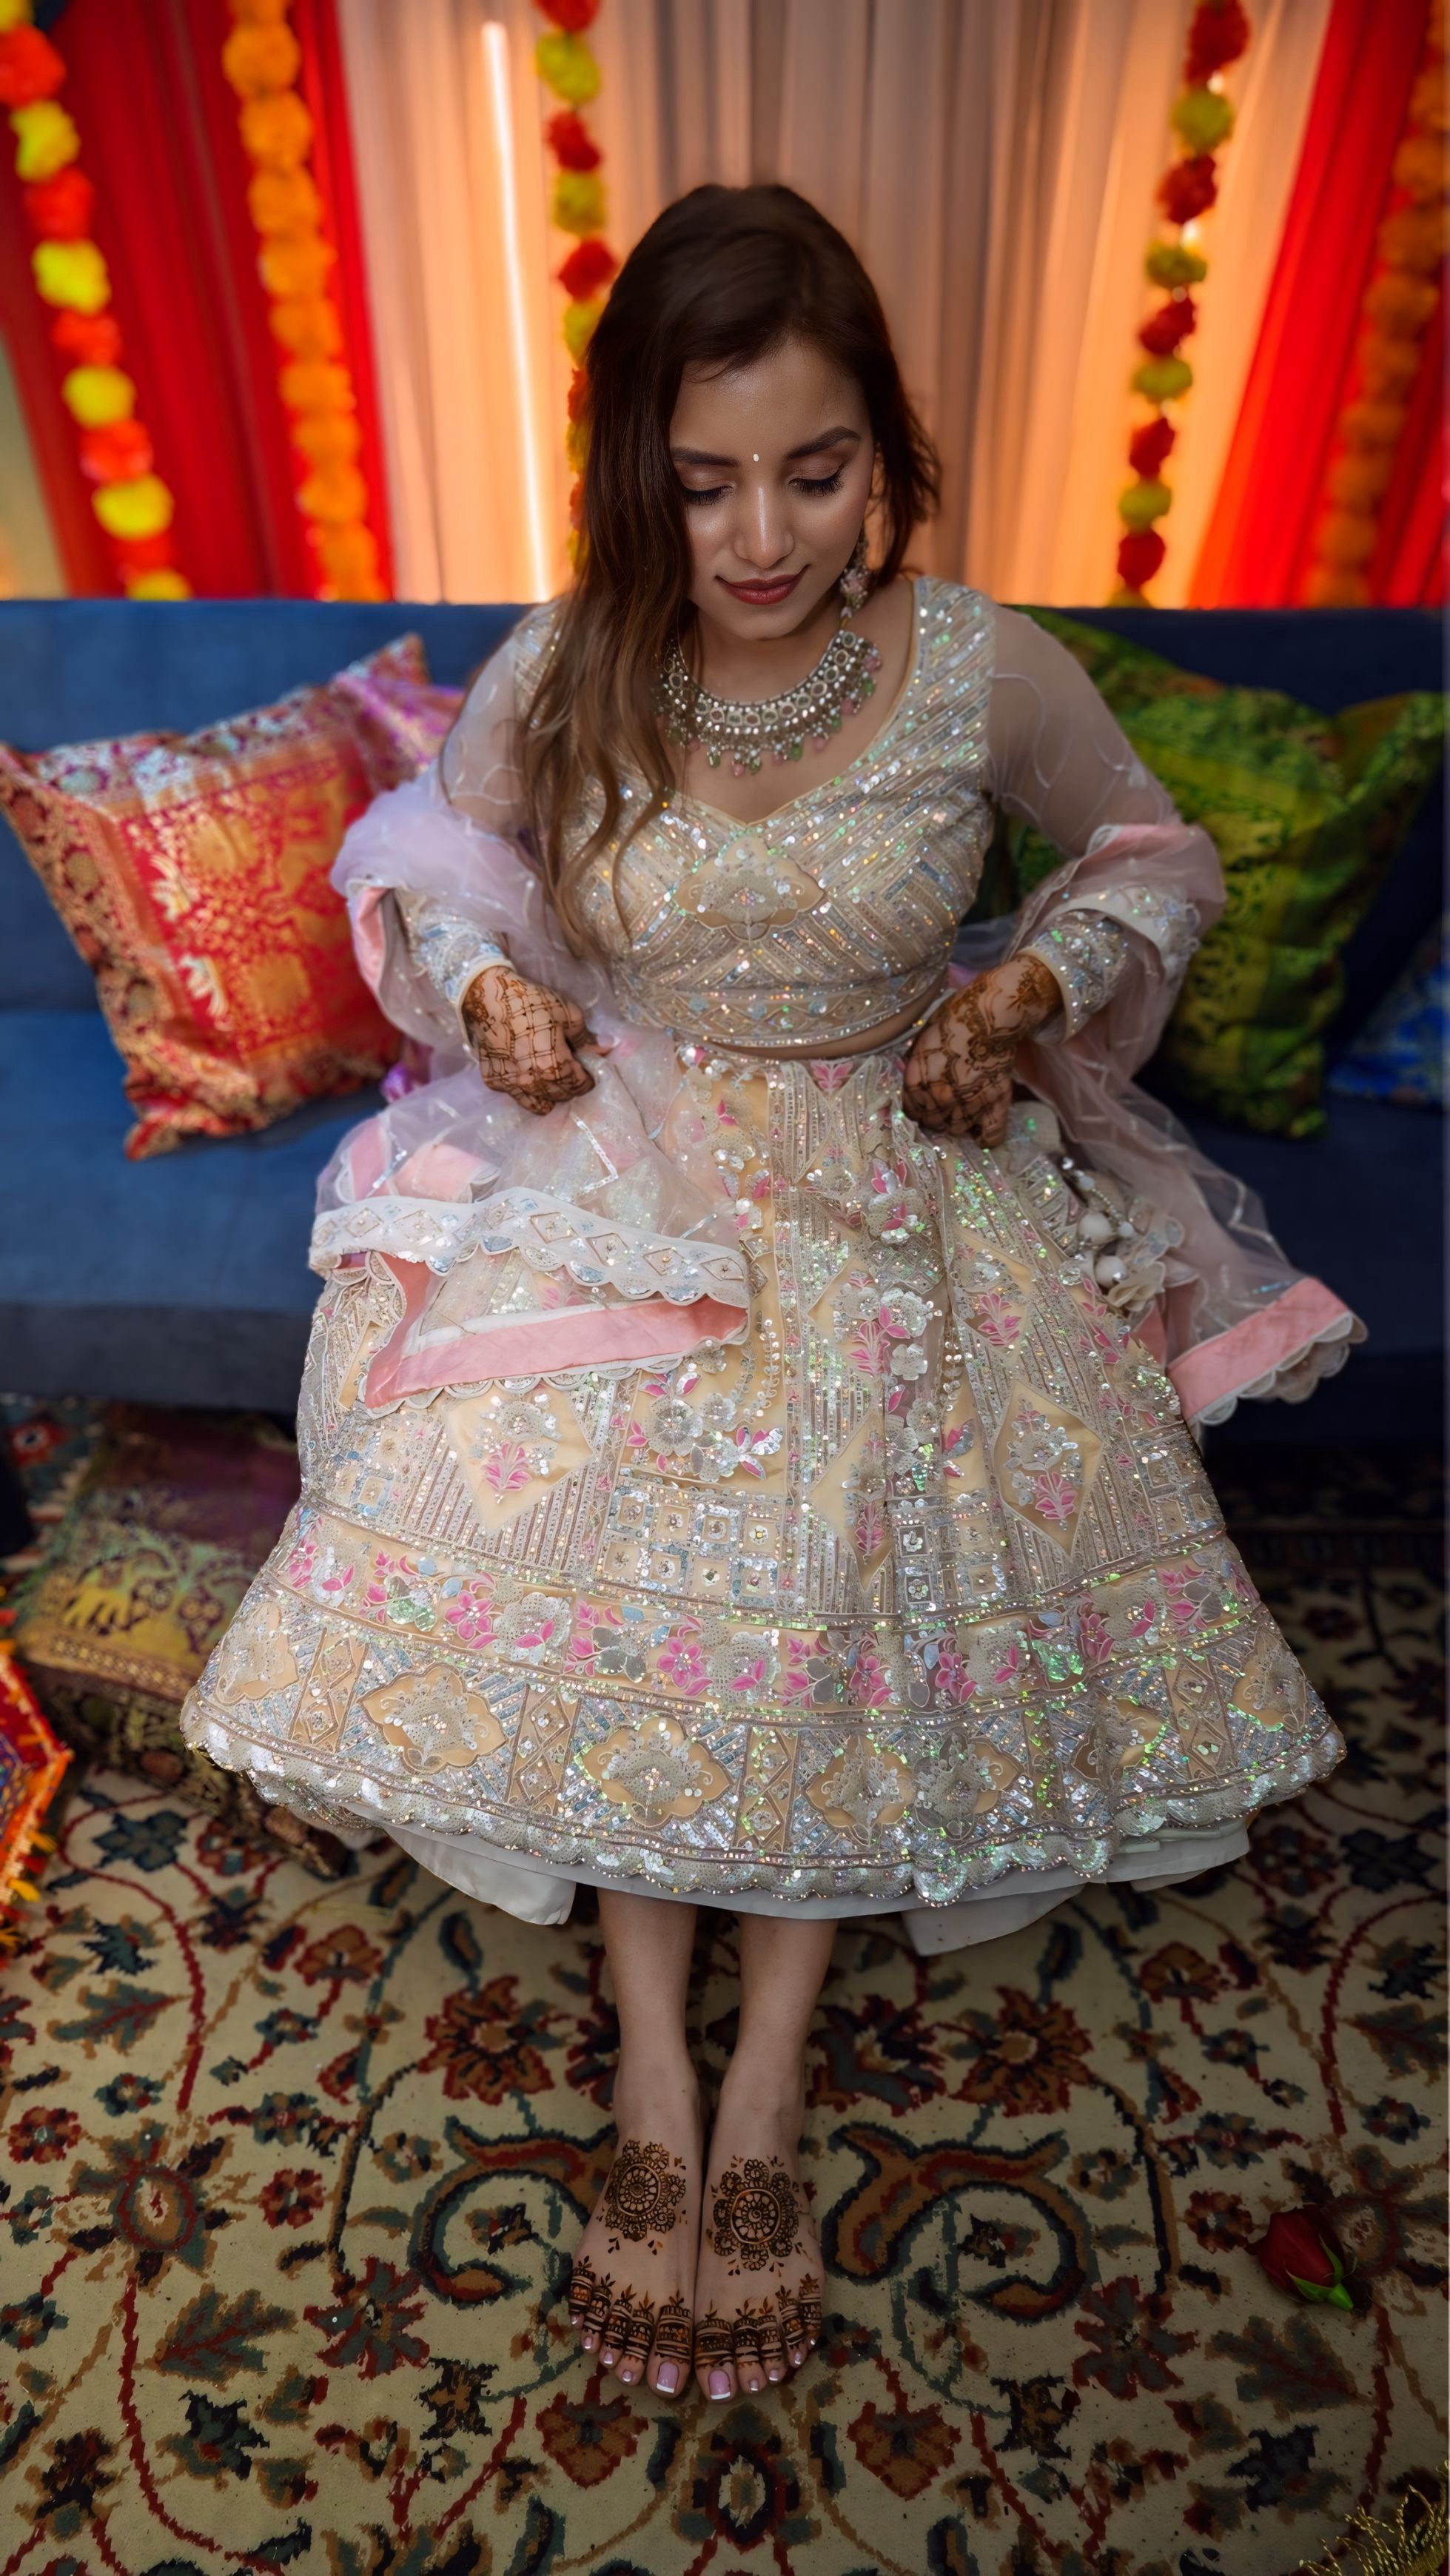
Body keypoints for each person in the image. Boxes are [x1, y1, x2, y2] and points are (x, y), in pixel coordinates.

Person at [184, 185, 1357, 2412]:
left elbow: (1148, 856)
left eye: (812, 474)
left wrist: (1025, 977)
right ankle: (650, 2052)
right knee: (633, 1553)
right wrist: (491, 984)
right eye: (706, 479)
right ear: (641, 460)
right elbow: (433, 855)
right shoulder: (577, 651)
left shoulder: (978, 662)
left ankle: (769, 2078)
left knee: (833, 1571)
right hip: (628, 1182)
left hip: (901, 1180)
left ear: (883, 452)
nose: (758, 534)